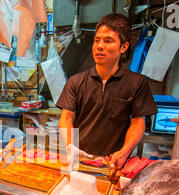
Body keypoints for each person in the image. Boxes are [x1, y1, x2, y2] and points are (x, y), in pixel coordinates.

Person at [57, 13, 157, 173]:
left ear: (123, 47)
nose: (100, 46)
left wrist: (124, 152)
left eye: (108, 41)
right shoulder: (76, 81)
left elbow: (138, 123)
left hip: (114, 165)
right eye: (97, 40)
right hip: (79, 161)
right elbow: (66, 117)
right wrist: (70, 146)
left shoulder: (137, 83)